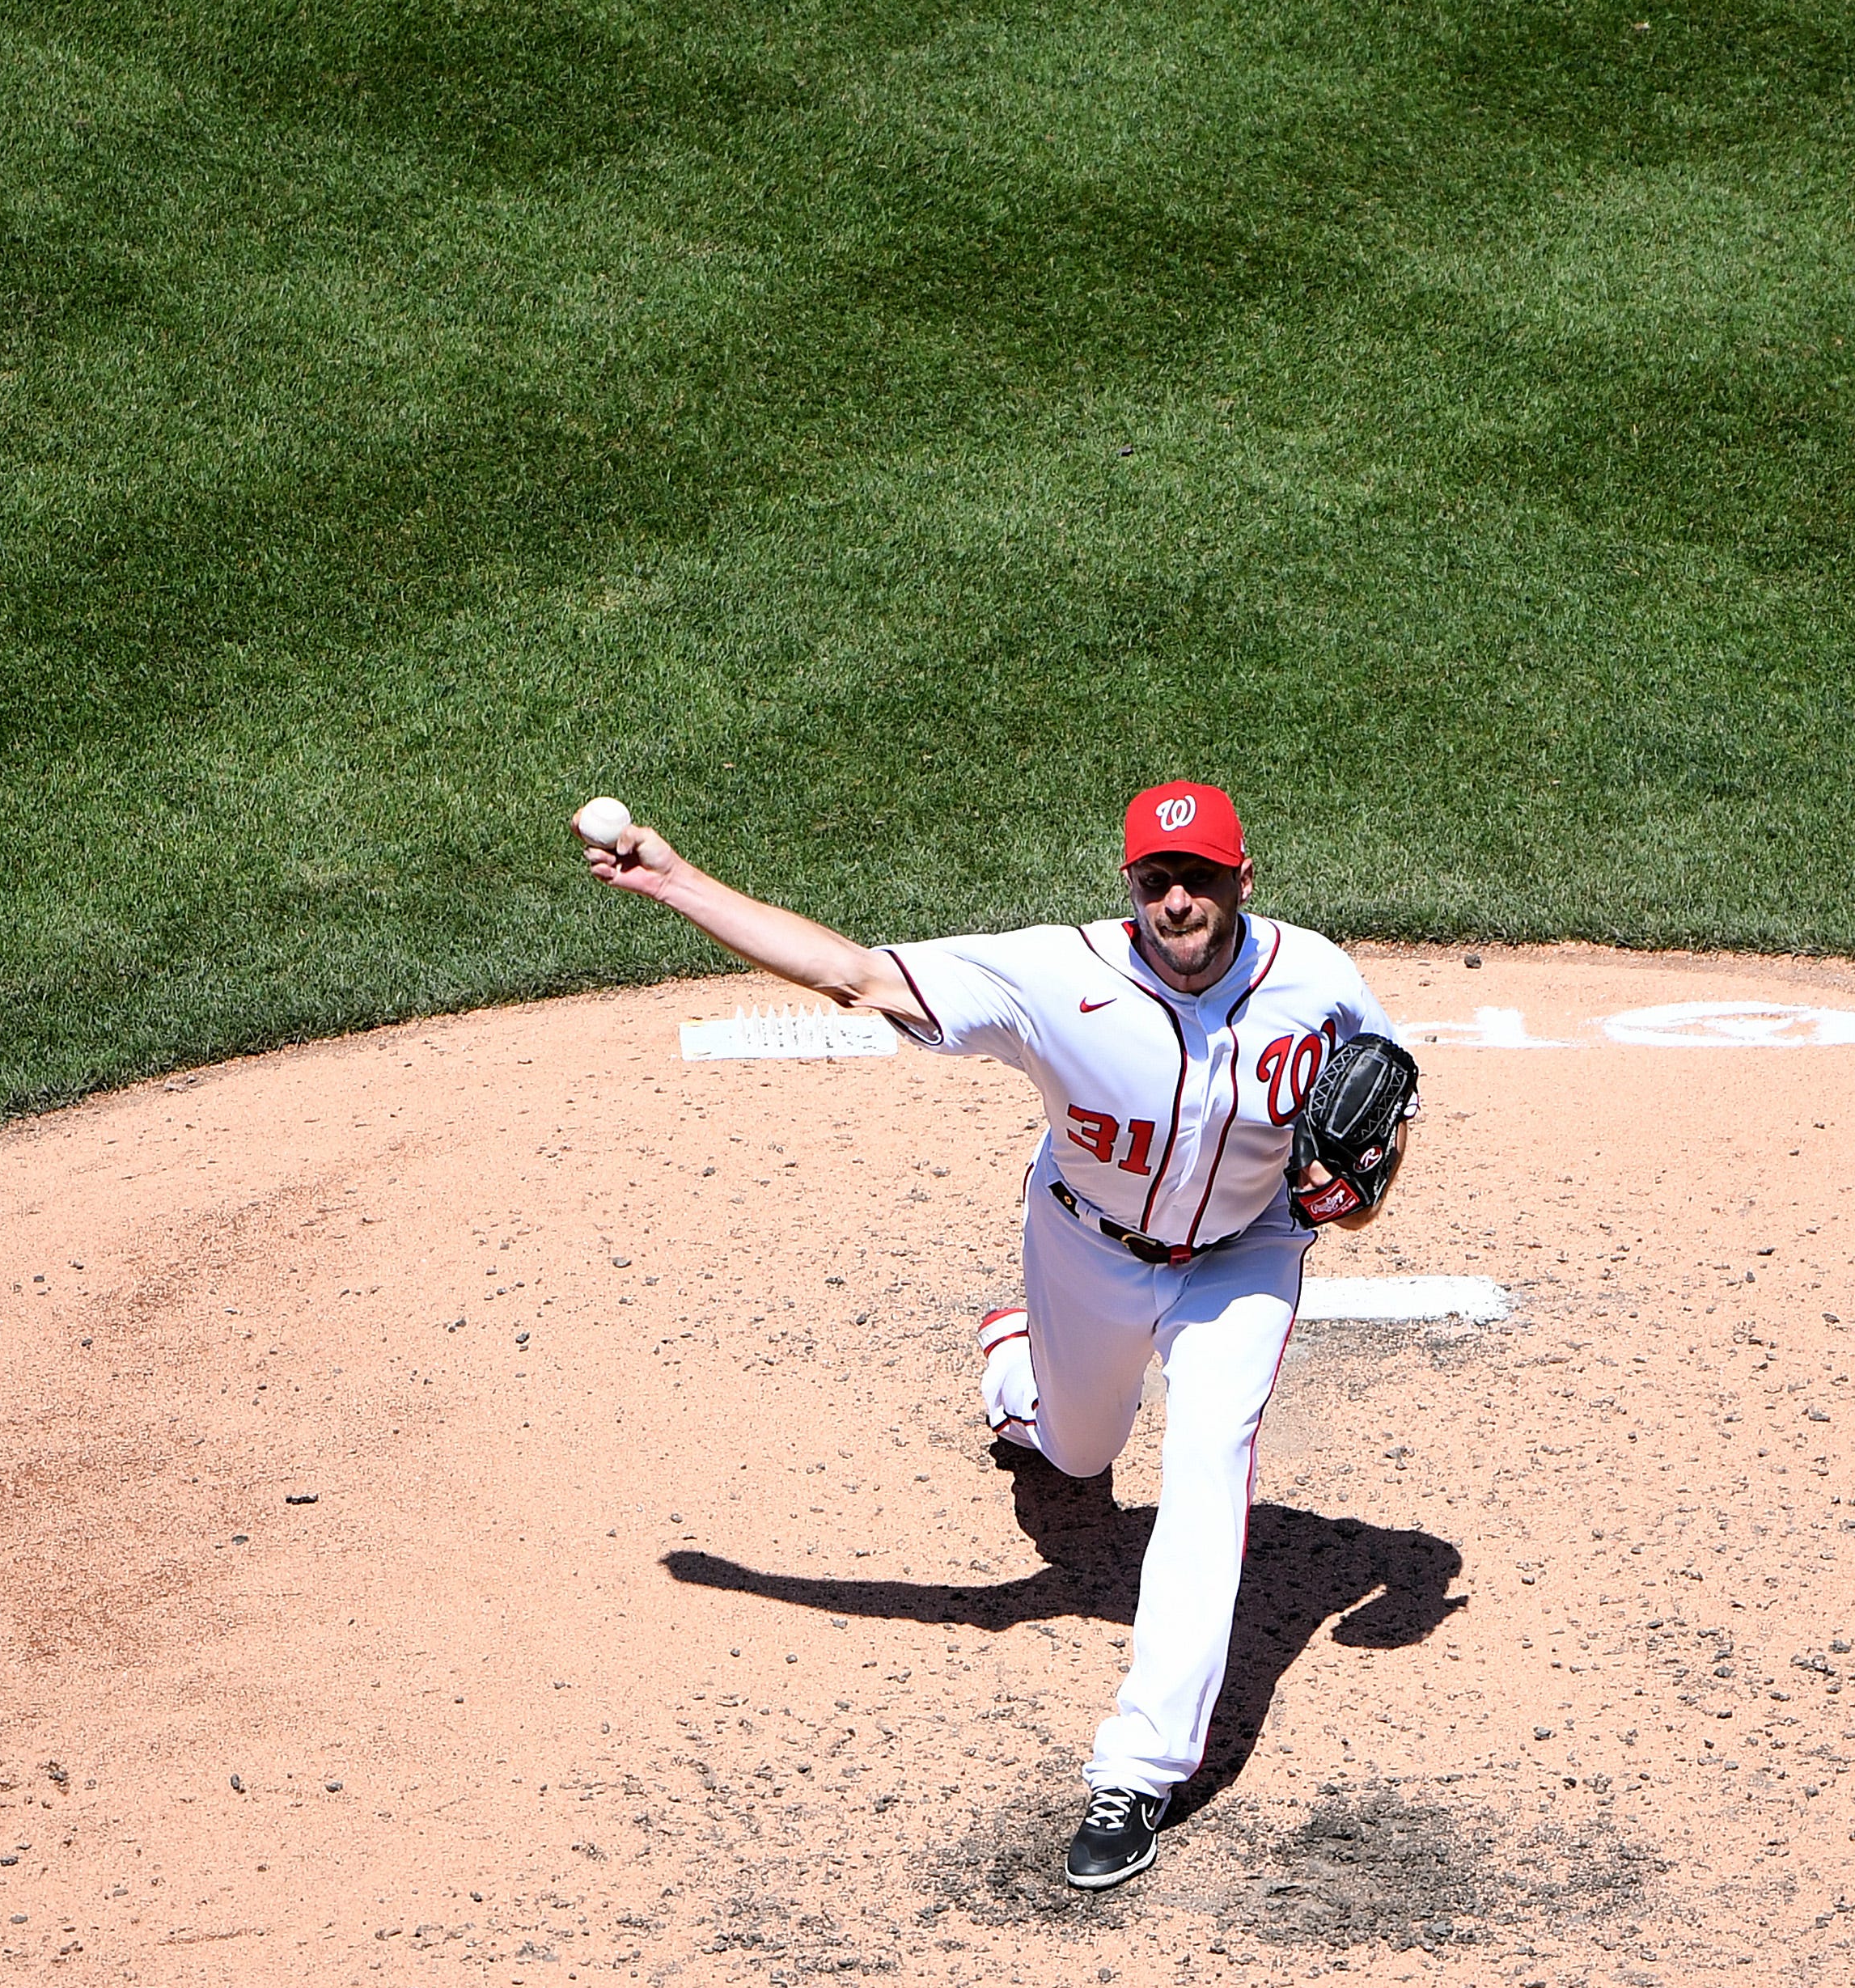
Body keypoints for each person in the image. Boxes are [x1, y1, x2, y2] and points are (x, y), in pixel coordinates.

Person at [581, 781, 1407, 1888]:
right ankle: (1016, 1363)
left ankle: (1138, 1773)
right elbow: (855, 974)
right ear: (1129, 888)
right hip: (1087, 1250)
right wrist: (674, 881)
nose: (1178, 903)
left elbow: (1381, 1111)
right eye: (1157, 881)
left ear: (1242, 882)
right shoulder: (1055, 979)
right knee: (1074, 1451)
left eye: (1201, 879)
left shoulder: (1317, 980)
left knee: (1212, 1455)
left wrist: (1361, 1195)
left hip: (1244, 1258)